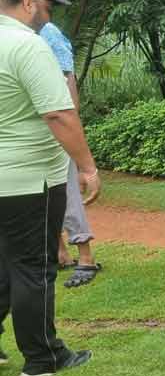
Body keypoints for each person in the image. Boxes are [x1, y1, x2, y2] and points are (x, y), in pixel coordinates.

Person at [0, 0, 99, 376]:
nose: (49, 15)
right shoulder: (28, 45)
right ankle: (42, 358)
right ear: (27, 2)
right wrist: (88, 166)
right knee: (34, 267)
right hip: (28, 178)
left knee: (4, 266)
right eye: (46, 5)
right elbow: (59, 114)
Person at [39, 21, 101, 287]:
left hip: (55, 126)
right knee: (40, 194)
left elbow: (68, 80)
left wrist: (70, 124)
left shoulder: (48, 33)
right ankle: (60, 254)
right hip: (27, 130)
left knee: (67, 193)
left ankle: (85, 258)